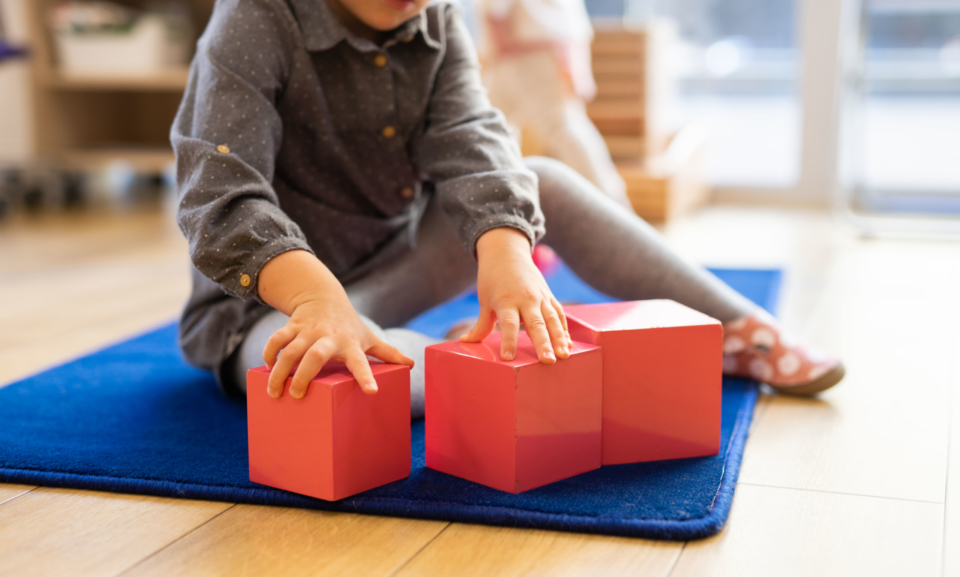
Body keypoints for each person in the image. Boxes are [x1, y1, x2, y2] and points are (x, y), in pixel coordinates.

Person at [172, 0, 844, 420]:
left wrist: (505, 252)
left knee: (540, 177)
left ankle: (742, 329)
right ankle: (502, 368)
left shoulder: (434, 18)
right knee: (360, 383)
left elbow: (475, 142)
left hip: (390, 268)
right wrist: (319, 302)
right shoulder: (253, 20)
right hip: (272, 312)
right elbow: (221, 194)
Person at [477, 0, 632, 208]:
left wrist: (497, 36)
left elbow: (496, 9)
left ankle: (614, 207)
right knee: (494, 129)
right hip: (542, 41)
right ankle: (501, 205)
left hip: (523, 46)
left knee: (560, 127)